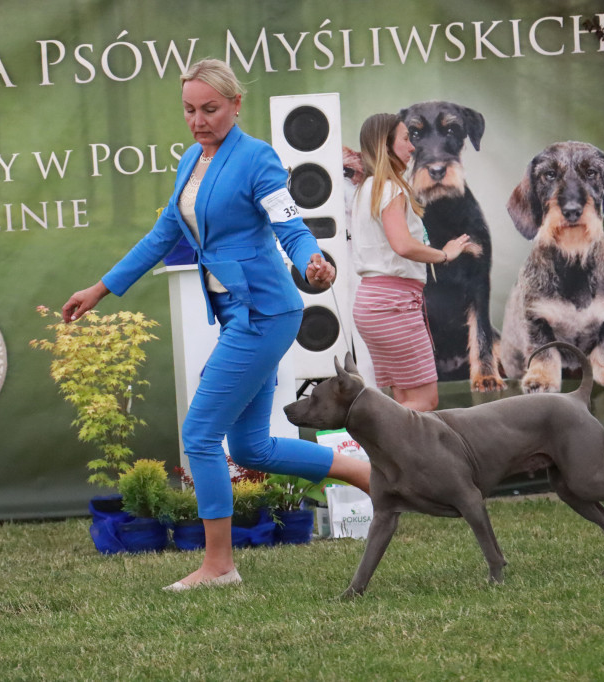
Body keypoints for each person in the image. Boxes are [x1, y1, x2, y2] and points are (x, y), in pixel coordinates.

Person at [62, 59, 371, 591]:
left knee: (200, 435)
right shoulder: (191, 161)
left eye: (210, 109)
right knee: (251, 449)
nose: (199, 120)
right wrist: (100, 288)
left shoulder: (258, 158)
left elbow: (289, 224)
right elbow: (162, 236)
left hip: (266, 313)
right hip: (238, 314)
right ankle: (369, 476)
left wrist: (311, 261)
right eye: (189, 110)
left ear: (235, 105)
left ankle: (219, 565)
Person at [350, 113, 480, 411]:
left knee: (404, 401)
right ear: (386, 145)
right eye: (406, 139)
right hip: (393, 305)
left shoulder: (366, 189)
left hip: (374, 303)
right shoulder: (390, 188)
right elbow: (403, 245)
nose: (412, 148)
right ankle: (384, 450)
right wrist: (444, 255)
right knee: (424, 402)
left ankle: (391, 456)